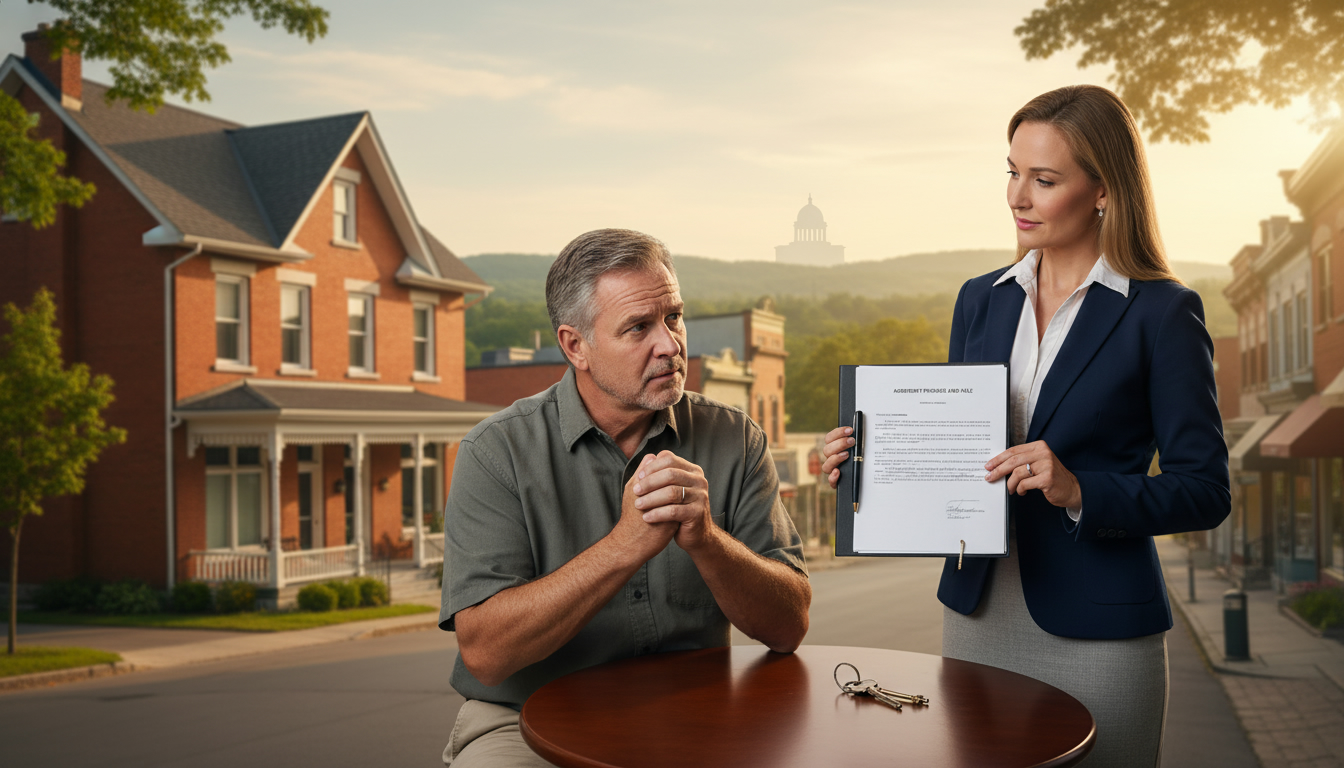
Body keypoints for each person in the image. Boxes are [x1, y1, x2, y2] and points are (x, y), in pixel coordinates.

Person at [820, 85, 1229, 767]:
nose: (1018, 196)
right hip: (977, 617)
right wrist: (873, 456)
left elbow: (1205, 489)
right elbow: (956, 451)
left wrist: (1079, 490)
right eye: (1012, 172)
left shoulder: (1163, 313)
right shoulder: (980, 299)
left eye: (1044, 179)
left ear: (1103, 191)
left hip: (1101, 629)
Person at [440, 228, 812, 767]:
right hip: (520, 720)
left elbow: (788, 627)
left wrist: (708, 542)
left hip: (694, 713)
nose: (670, 343)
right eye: (638, 327)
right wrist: (622, 547)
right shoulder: (496, 452)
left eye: (674, 317)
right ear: (575, 346)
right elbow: (486, 655)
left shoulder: (736, 438)